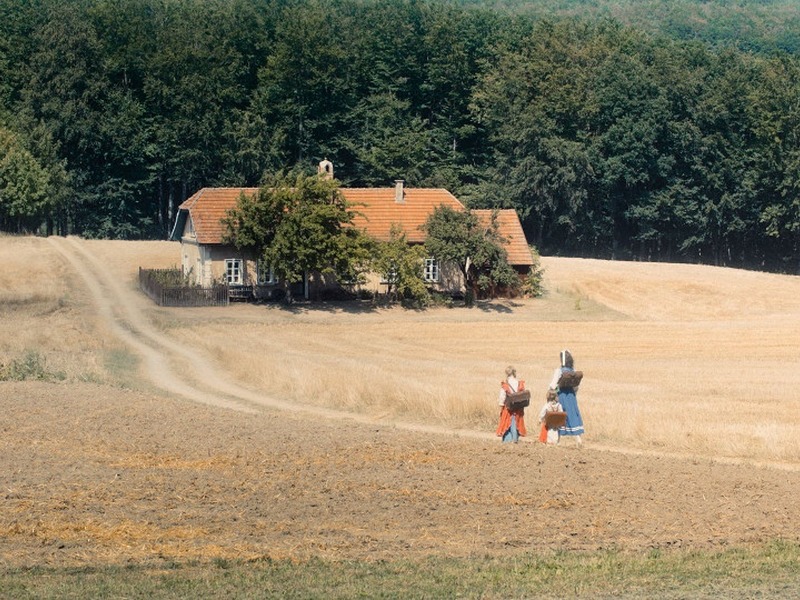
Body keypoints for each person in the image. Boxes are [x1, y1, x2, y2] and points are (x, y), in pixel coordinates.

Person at [549, 349, 584, 446]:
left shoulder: (559, 371)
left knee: (560, 416)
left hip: (562, 395)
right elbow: (576, 386)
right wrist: (573, 394)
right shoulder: (574, 371)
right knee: (573, 414)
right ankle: (578, 439)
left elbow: (553, 385)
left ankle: (557, 440)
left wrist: (552, 392)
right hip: (571, 396)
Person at [496, 365, 527, 443]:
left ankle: (508, 440)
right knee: (517, 422)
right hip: (518, 408)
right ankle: (515, 438)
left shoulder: (506, 384)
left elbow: (502, 396)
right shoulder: (519, 383)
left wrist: (501, 404)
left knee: (507, 423)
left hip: (508, 408)